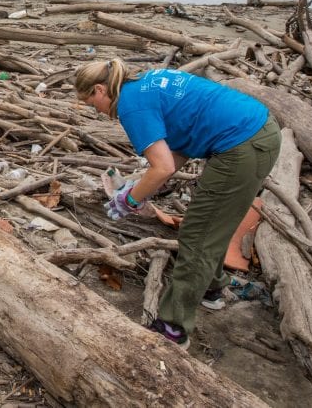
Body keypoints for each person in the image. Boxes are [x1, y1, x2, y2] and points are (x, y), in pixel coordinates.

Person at [75, 59, 281, 350]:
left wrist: (129, 200)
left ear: (99, 89)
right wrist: (138, 187)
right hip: (254, 131)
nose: (93, 109)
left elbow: (162, 168)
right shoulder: (142, 84)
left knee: (198, 234)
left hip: (243, 144)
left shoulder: (130, 106)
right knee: (212, 219)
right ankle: (212, 288)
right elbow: (178, 148)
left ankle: (173, 328)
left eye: (89, 101)